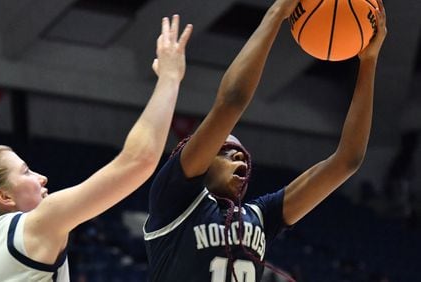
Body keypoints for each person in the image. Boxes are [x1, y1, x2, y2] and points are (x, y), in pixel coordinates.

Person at [0, 15, 193, 282]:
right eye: (26, 172)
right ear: (4, 196)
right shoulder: (33, 226)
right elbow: (138, 160)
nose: (41, 176)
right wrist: (170, 78)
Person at [143, 0, 387, 281]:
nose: (239, 157)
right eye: (226, 151)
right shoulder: (174, 200)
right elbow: (231, 103)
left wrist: (368, 62)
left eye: (242, 156)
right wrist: (277, 12)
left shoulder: (259, 217)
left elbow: (348, 160)